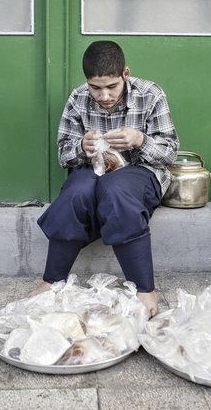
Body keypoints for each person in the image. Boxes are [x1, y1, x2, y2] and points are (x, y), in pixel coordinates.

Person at [28, 41, 179, 318]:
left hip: (141, 172)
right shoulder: (78, 98)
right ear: (87, 82)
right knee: (75, 194)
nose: (104, 95)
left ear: (126, 74)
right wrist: (82, 148)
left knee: (116, 190)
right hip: (92, 171)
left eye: (111, 86)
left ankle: (144, 289)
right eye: (95, 88)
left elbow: (169, 154)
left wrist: (140, 140)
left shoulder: (151, 95)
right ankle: (52, 281)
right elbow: (64, 155)